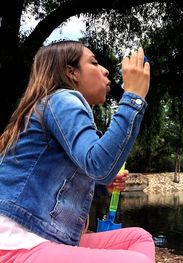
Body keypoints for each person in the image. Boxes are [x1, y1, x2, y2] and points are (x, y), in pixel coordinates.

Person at [0, 40, 154, 263]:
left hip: (45, 237)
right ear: (71, 72)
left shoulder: (55, 109)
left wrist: (102, 187)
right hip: (15, 241)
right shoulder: (62, 99)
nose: (105, 70)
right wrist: (133, 98)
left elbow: (79, 172)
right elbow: (98, 165)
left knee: (138, 239)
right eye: (93, 62)